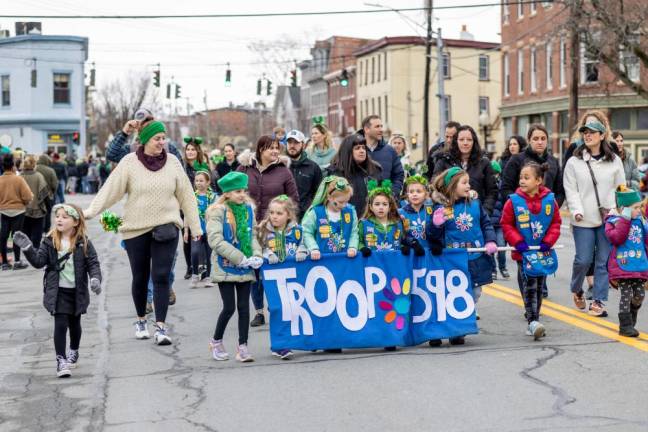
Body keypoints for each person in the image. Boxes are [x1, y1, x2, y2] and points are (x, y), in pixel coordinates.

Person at [84, 120, 202, 345]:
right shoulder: (129, 163)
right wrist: (91, 211)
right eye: (157, 138)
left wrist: (195, 228)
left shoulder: (174, 163)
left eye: (163, 138)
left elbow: (187, 196)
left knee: (160, 277)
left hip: (166, 228)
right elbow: (111, 190)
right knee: (140, 277)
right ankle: (140, 320)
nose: (162, 142)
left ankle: (161, 327)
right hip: (135, 229)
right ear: (146, 140)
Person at [12, 203, 102, 377]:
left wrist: (95, 279)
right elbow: (39, 262)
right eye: (57, 216)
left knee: (75, 325)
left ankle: (74, 350)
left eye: (64, 217)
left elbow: (93, 263)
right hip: (58, 291)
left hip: (77, 292)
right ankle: (61, 361)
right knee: (60, 324)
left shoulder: (84, 243)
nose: (59, 219)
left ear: (75, 222)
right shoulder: (50, 240)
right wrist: (28, 249)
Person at [427, 167, 498, 346]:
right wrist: (436, 224)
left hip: (475, 256)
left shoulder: (474, 204)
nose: (469, 186)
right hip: (452, 259)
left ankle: (463, 319)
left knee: (474, 291)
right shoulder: (441, 208)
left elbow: (485, 223)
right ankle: (454, 329)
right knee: (452, 293)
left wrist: (490, 240)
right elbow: (433, 235)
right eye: (464, 183)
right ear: (452, 186)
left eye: (469, 182)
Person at [563, 119, 625, 317]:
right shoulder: (574, 161)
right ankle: (577, 289)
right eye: (585, 132)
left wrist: (617, 210)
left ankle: (598, 300)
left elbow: (621, 188)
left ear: (601, 135)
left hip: (608, 218)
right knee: (583, 259)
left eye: (592, 132)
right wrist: (576, 210)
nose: (587, 135)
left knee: (603, 261)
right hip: (583, 219)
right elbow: (570, 189)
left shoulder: (614, 160)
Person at [500, 163, 562, 340]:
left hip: (542, 251)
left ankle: (535, 318)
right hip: (524, 252)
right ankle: (532, 321)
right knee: (529, 286)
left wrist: (548, 241)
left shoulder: (550, 200)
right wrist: (517, 241)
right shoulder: (513, 201)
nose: (522, 181)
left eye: (527, 177)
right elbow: (506, 224)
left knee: (540, 286)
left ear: (538, 180)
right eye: (521, 177)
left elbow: (555, 223)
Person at [207, 172, 263, 363]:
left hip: (245, 266)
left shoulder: (248, 209)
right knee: (229, 307)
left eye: (243, 190)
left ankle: (243, 347)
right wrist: (239, 258)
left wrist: (256, 255)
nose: (242, 194)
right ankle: (216, 341)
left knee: (244, 308)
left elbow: (253, 235)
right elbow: (215, 239)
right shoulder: (217, 211)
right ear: (228, 193)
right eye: (238, 191)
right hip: (226, 266)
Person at [257, 194, 306, 359]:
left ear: (289, 215)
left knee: (294, 310)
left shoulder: (298, 230)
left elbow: (305, 243)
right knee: (277, 309)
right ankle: (279, 345)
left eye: (279, 213)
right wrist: (266, 253)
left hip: (294, 279)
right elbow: (257, 247)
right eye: (272, 213)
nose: (274, 217)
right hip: (273, 279)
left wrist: (302, 250)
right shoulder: (263, 230)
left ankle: (300, 341)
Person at [604, 186, 647, 337]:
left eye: (640, 206)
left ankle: (631, 316)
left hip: (638, 264)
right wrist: (625, 219)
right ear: (625, 209)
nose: (639, 210)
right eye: (636, 207)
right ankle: (625, 326)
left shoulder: (641, 221)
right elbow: (617, 238)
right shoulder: (614, 221)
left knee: (640, 294)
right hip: (622, 266)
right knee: (626, 294)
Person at [432, 125, 498, 215]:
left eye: (469, 140)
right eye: (461, 139)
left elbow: (492, 192)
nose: (465, 143)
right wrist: (446, 208)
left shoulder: (484, 163)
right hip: (450, 213)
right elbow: (436, 186)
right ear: (456, 141)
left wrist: (484, 212)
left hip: (477, 214)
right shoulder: (444, 161)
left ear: (474, 142)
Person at [237, 135, 299, 222]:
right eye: (271, 148)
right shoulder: (244, 168)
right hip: (245, 222)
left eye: (277, 148)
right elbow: (231, 193)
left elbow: (293, 200)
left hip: (272, 225)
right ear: (261, 149)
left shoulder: (285, 172)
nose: (275, 151)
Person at [501, 124, 565, 207]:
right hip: (522, 213)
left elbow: (560, 191)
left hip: (547, 212)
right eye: (535, 139)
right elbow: (506, 188)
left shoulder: (553, 161)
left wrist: (554, 206)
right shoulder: (516, 160)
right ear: (529, 140)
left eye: (543, 139)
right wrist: (519, 205)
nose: (540, 142)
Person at [301, 176, 359, 260]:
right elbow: (306, 231)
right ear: (329, 197)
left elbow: (354, 232)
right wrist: (313, 248)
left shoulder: (350, 211)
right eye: (340, 202)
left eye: (347, 201)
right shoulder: (316, 212)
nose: (344, 205)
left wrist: (352, 247)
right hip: (322, 261)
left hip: (345, 261)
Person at [327, 133, 382, 216]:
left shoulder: (374, 170)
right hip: (345, 219)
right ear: (348, 151)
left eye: (364, 147)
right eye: (357, 148)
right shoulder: (335, 173)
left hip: (370, 220)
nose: (362, 151)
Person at [106, 109, 183, 163]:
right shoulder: (130, 150)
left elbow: (182, 177)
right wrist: (124, 133)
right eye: (139, 123)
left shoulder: (169, 149)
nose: (143, 126)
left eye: (147, 122)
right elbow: (111, 155)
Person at [0, 154, 33, 270]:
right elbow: (28, 196)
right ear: (13, 166)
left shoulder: (0, 180)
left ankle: (4, 262)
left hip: (4, 211)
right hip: (18, 211)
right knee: (17, 236)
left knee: (3, 237)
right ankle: (17, 261)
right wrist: (24, 203)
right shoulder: (19, 179)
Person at [358, 115, 404, 198]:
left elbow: (399, 175)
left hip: (386, 204)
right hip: (361, 205)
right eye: (377, 127)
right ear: (366, 129)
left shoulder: (390, 151)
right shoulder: (354, 150)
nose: (381, 130)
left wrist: (392, 194)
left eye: (381, 126)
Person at [358, 180, 406, 255]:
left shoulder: (397, 223)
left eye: (384, 204)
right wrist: (362, 248)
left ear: (389, 207)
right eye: (377, 204)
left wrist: (403, 247)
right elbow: (358, 241)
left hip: (393, 263)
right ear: (371, 207)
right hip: (372, 264)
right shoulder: (364, 223)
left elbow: (401, 241)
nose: (381, 207)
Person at [187, 171, 216, 288]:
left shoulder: (213, 197)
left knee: (209, 254)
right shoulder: (192, 196)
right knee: (194, 252)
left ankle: (208, 277)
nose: (198, 183)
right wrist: (185, 230)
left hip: (209, 230)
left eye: (201, 181)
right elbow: (188, 213)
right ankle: (195, 275)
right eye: (196, 180)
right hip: (196, 230)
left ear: (208, 182)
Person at [285, 129, 323, 219]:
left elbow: (319, 194)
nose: (292, 146)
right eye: (289, 142)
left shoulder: (313, 167)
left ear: (303, 144)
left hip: (306, 216)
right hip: (284, 215)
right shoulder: (279, 166)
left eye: (296, 143)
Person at [20, 155, 49, 250]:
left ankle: (27, 249)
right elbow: (44, 193)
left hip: (23, 210)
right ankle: (35, 249)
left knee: (25, 230)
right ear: (34, 164)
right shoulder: (38, 176)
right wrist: (48, 206)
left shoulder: (20, 176)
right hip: (37, 209)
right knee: (37, 231)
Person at [397, 175, 431, 255]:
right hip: (411, 253)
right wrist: (412, 242)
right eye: (411, 192)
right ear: (407, 194)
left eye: (418, 191)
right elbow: (400, 235)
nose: (414, 194)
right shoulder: (400, 213)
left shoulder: (430, 211)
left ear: (426, 194)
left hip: (429, 253)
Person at [489, 160, 510, 280]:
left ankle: (503, 267)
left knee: (501, 246)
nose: (493, 176)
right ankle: (493, 270)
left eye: (495, 173)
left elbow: (506, 203)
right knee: (491, 248)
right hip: (489, 223)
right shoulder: (486, 187)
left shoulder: (503, 186)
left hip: (501, 223)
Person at [35, 154, 59, 233]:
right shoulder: (50, 170)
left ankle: (39, 229)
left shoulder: (34, 169)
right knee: (48, 213)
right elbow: (54, 184)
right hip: (48, 195)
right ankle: (47, 229)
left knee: (38, 212)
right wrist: (53, 192)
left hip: (36, 195)